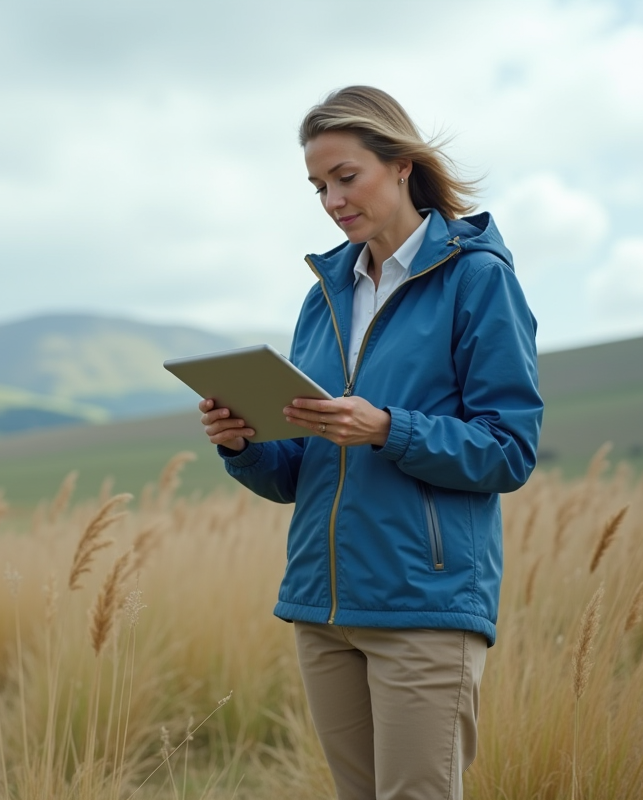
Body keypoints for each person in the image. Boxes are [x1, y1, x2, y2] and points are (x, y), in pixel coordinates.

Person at [198, 86, 543, 800]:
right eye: (318, 186)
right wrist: (244, 446)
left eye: (345, 177)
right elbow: (297, 471)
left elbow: (509, 449)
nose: (332, 200)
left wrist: (388, 428)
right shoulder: (325, 294)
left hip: (423, 605)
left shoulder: (477, 280)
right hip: (322, 609)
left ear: (402, 165)